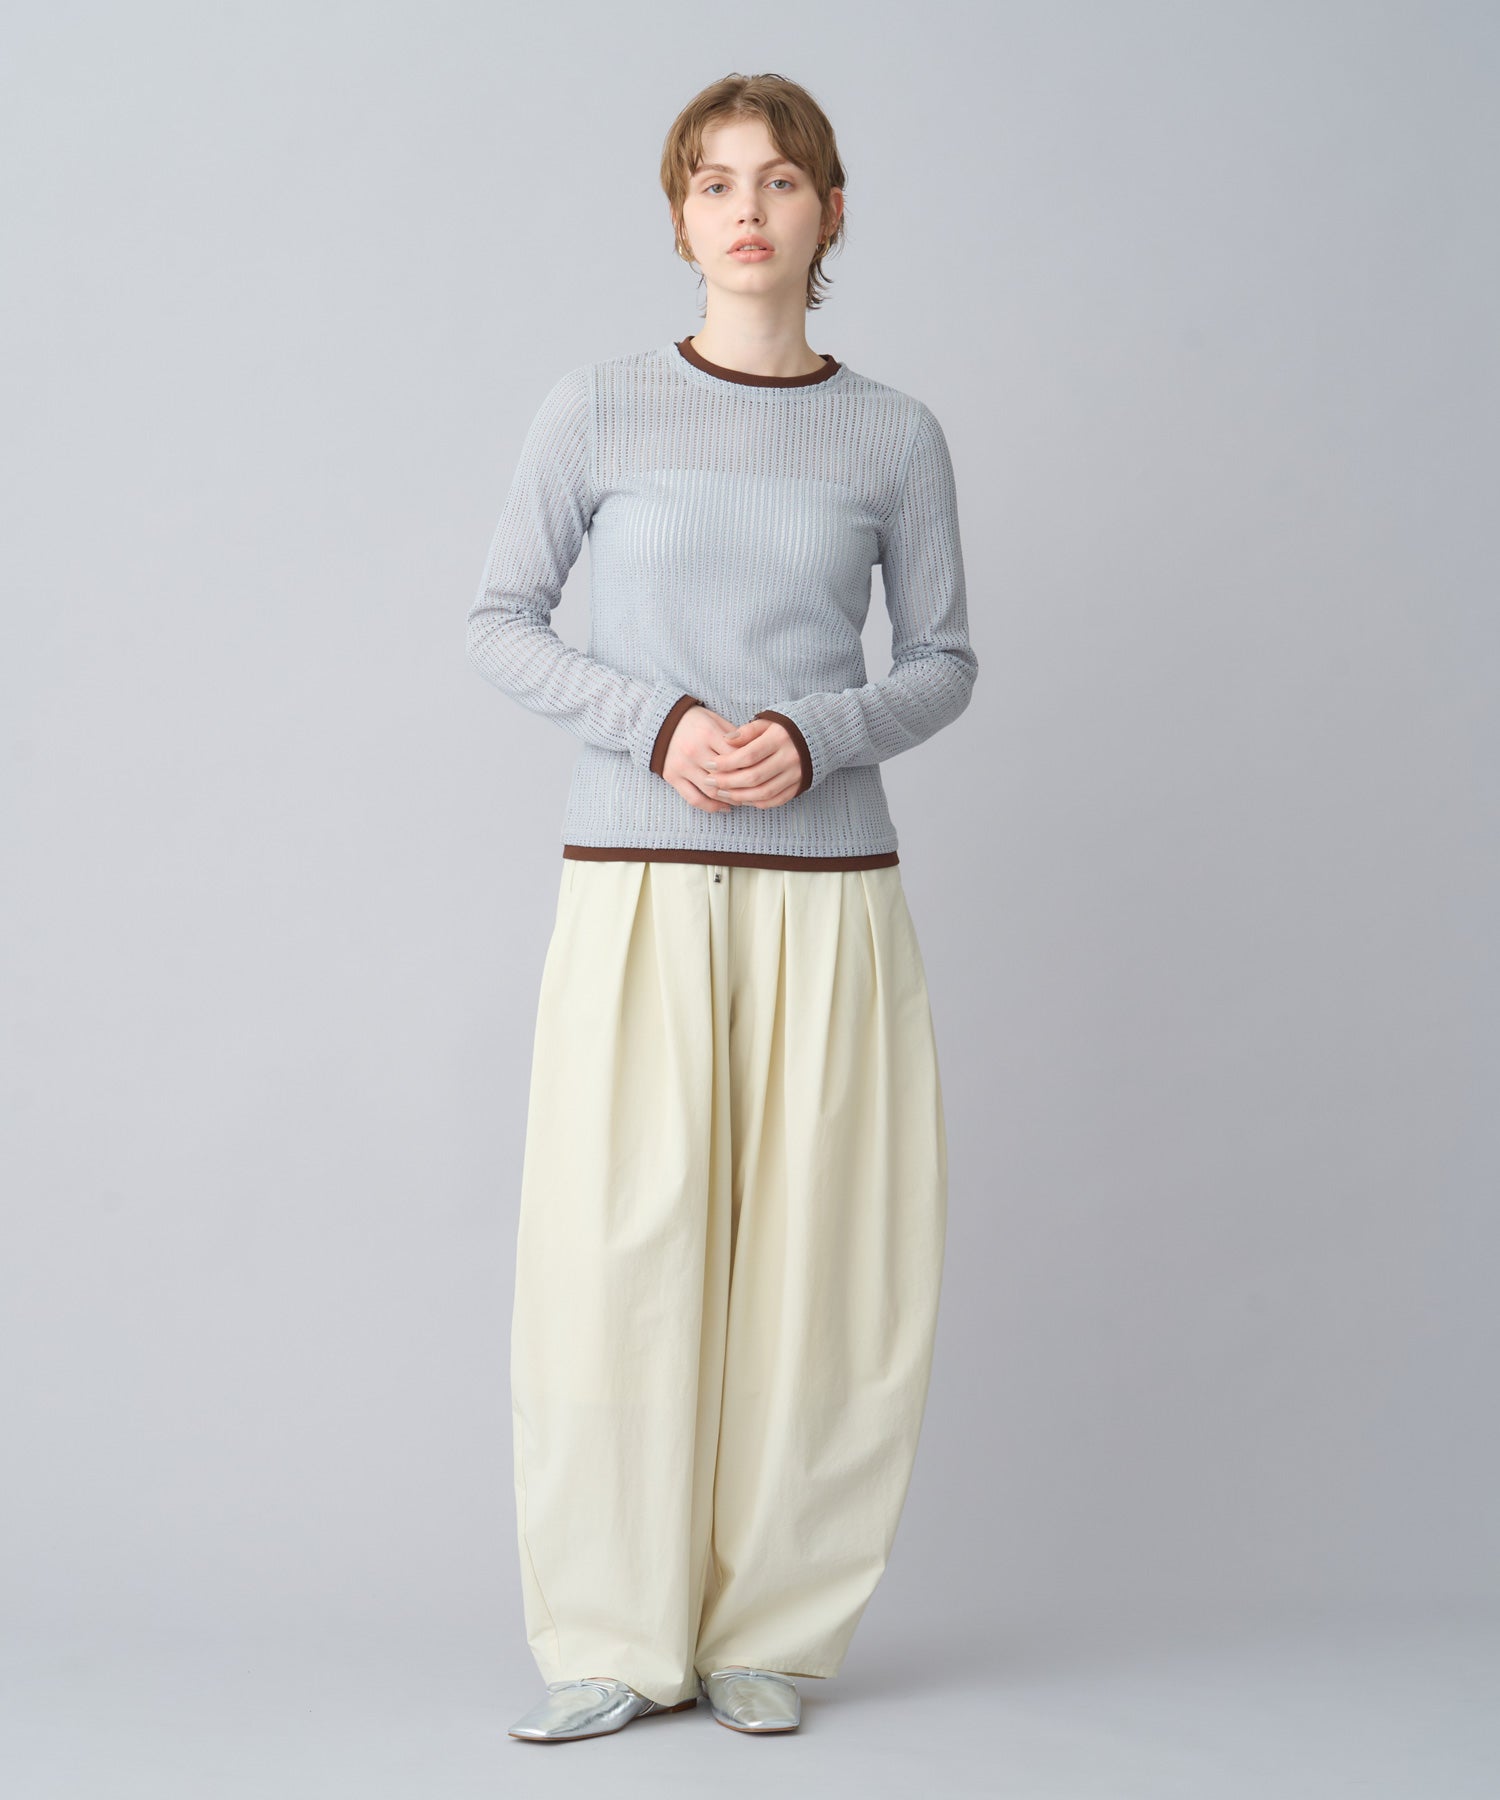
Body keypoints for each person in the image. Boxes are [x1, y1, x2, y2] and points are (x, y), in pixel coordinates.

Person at [466, 71, 978, 1743]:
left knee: (825, 1263)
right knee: (617, 1255)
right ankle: (613, 1637)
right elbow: (500, 618)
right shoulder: (600, 408)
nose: (746, 209)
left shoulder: (894, 435)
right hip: (636, 888)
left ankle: (775, 1628)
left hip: (830, 895)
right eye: (713, 183)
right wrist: (664, 725)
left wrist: (820, 737)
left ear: (832, 213)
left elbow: (944, 661)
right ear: (680, 218)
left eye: (779, 180)